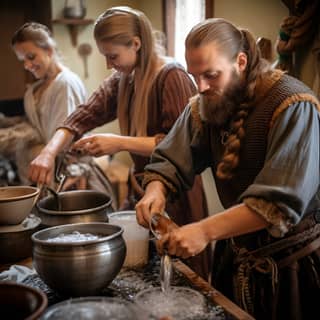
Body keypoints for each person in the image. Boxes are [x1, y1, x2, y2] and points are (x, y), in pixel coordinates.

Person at [135, 18, 320, 320]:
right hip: (234, 259)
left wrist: (205, 230)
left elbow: (278, 203)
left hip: (293, 271)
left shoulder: (293, 105)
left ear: (241, 61)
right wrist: (155, 191)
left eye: (211, 75)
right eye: (195, 76)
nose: (201, 87)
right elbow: (169, 158)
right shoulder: (204, 104)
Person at [28, 7, 209, 277]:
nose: (108, 64)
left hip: (178, 198)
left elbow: (182, 143)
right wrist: (49, 152)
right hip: (140, 193)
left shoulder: (172, 77)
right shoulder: (124, 79)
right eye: (105, 56)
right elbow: (83, 114)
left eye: (112, 56)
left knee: (184, 277)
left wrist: (120, 142)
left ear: (136, 44)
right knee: (141, 273)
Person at [0, 22, 86, 186]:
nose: (26, 65)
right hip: (37, 176)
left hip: (63, 178)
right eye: (22, 60)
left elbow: (65, 139)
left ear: (49, 50)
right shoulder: (35, 89)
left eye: (31, 57)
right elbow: (35, 124)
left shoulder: (65, 84)